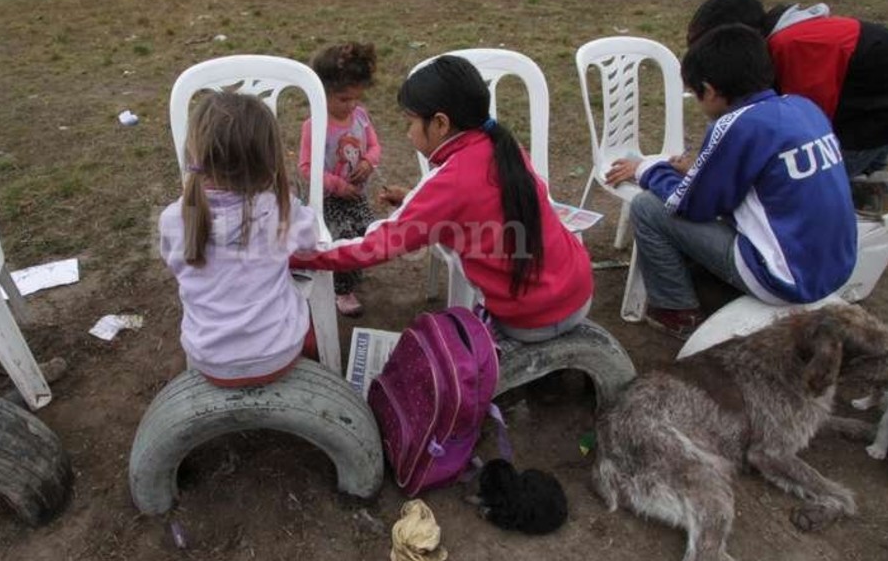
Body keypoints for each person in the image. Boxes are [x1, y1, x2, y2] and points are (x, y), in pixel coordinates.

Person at [291, 56, 593, 343]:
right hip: (577, 292)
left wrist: (299, 255)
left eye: (410, 121)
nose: (408, 133)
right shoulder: (505, 145)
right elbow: (477, 202)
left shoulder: (450, 181)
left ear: (440, 123)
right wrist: (414, 199)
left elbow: (374, 246)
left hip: (531, 320)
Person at [606, 25, 857, 339]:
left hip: (785, 280)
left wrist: (645, 168)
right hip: (837, 267)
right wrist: (697, 170)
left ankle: (675, 311)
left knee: (647, 206)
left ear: (709, 90)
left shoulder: (736, 125)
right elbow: (759, 181)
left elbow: (687, 205)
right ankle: (708, 280)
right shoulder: (804, 108)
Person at [687, 0, 888, 180]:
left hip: (887, 108)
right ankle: (868, 186)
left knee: (811, 178)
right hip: (877, 100)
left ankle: (856, 199)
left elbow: (809, 127)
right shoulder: (783, 38)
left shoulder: (792, 45)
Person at [159, 92, 319, 387]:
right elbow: (311, 242)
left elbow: (176, 265)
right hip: (279, 355)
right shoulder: (281, 208)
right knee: (297, 292)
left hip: (208, 360)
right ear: (267, 161)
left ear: (194, 153)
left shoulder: (173, 219)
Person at [298, 42, 382, 317]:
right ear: (322, 93)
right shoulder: (314, 126)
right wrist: (337, 185)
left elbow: (374, 146)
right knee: (342, 239)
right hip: (328, 199)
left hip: (356, 194)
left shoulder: (361, 116)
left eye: (356, 98)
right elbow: (307, 167)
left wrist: (369, 162)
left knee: (368, 231)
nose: (352, 105)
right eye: (344, 99)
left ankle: (350, 271)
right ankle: (342, 291)